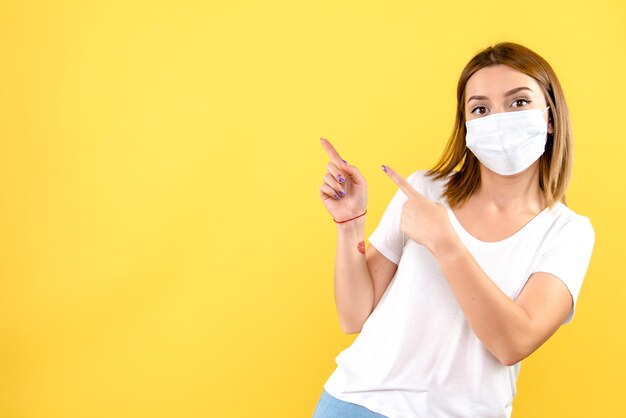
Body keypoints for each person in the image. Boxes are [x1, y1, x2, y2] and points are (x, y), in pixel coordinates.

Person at [313, 42, 595, 418]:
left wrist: (446, 243)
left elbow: (513, 343)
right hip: (356, 403)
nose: (498, 118)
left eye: (518, 102)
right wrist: (350, 224)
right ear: (467, 126)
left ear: (550, 117)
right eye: (480, 108)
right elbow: (353, 316)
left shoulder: (567, 232)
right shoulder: (424, 190)